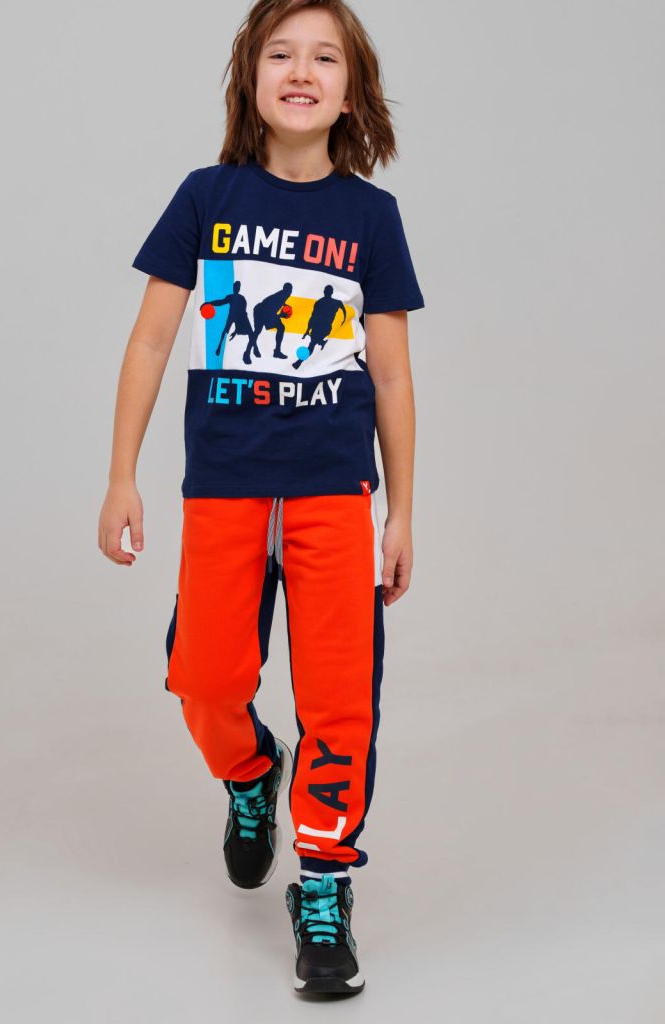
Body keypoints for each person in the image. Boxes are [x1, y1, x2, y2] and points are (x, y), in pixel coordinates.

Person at [98, 0, 424, 997]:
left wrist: (402, 512)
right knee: (204, 676)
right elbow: (152, 340)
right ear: (250, 78)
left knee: (340, 697)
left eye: (325, 57)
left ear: (352, 91)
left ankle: (322, 882)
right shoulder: (207, 198)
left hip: (332, 491)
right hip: (226, 488)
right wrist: (121, 475)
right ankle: (249, 771)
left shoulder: (371, 218)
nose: (301, 70)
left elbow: (392, 376)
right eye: (280, 53)